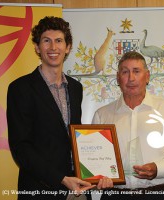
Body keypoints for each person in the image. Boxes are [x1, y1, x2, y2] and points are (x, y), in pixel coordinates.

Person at [7, 16, 113, 200]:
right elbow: (21, 148)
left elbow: (76, 137)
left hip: (77, 188)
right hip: (40, 189)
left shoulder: (75, 87)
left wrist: (99, 171)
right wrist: (61, 179)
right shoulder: (20, 88)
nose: (53, 47)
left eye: (59, 41)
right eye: (46, 41)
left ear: (68, 47)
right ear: (37, 47)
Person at [92, 51, 164, 200]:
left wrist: (158, 169)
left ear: (147, 76)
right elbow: (95, 159)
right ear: (118, 78)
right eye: (125, 72)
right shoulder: (102, 115)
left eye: (136, 71)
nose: (131, 78)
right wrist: (98, 175)